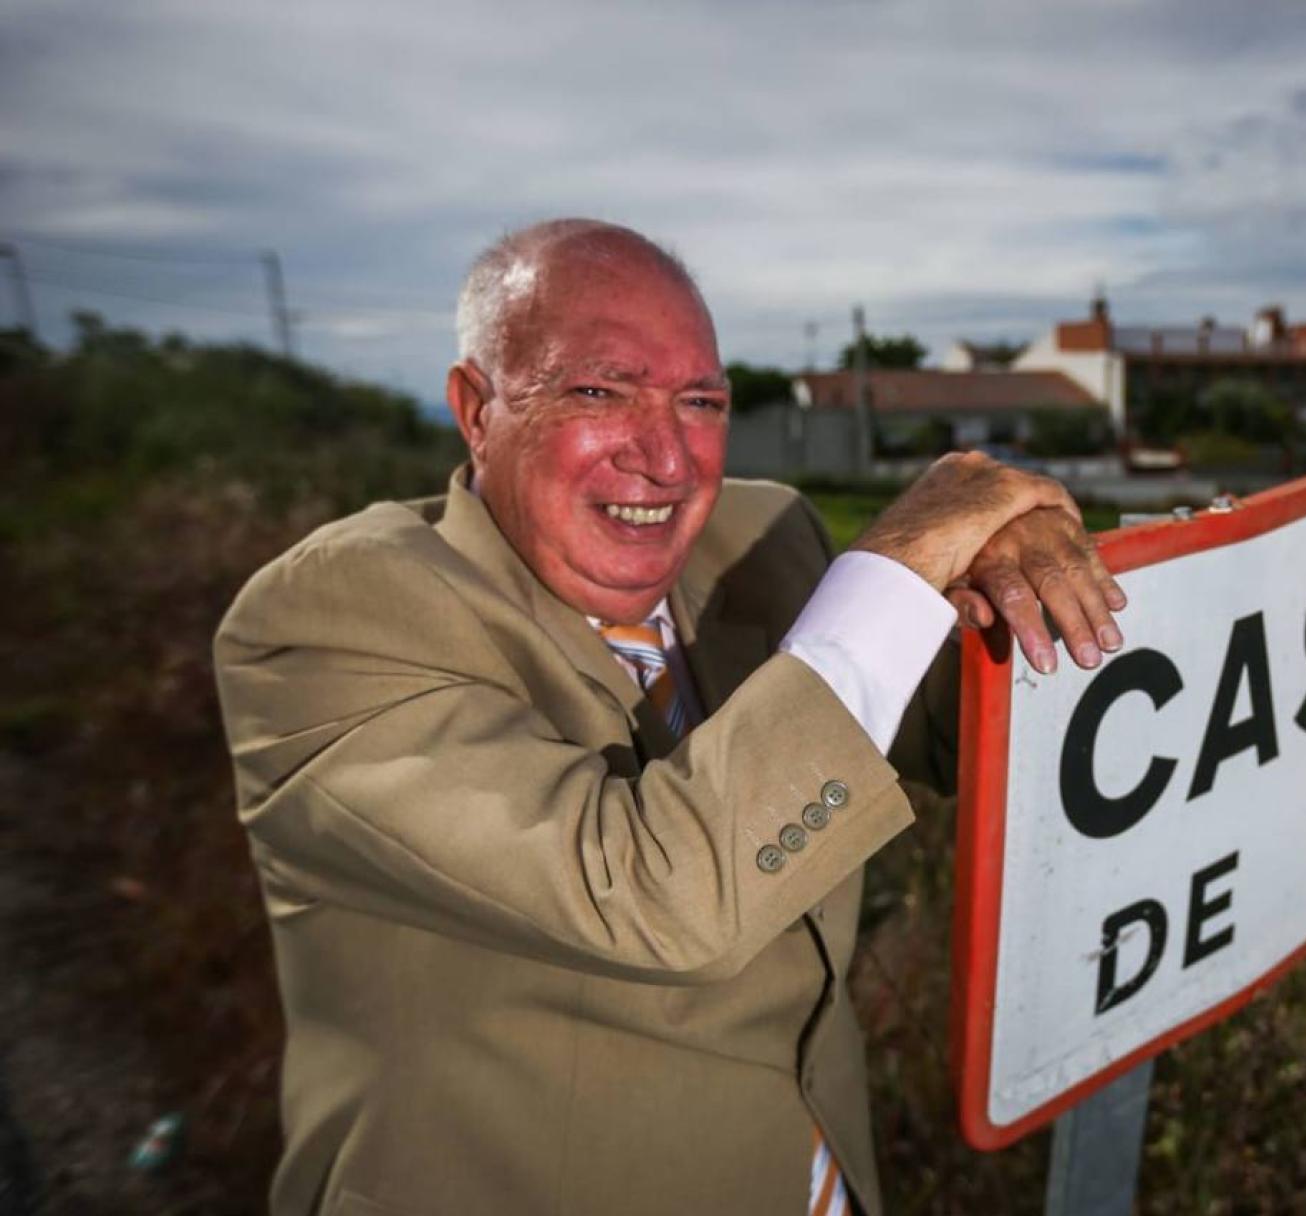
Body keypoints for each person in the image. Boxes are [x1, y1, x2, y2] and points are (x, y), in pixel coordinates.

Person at [213, 219, 1125, 1215]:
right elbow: (657, 897)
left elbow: (981, 726)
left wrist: (1013, 558)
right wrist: (898, 569)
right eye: (598, 392)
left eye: (701, 401)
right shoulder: (329, 622)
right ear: (476, 410)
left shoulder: (763, 536)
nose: (667, 458)